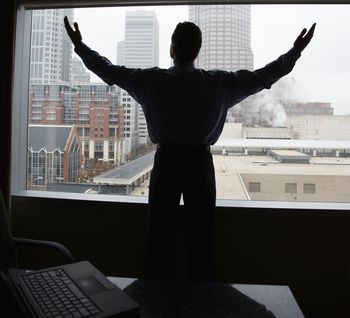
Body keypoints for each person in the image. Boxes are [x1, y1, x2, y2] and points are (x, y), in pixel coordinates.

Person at [64, 16, 316, 281]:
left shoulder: (150, 80)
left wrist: (80, 46)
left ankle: (155, 299)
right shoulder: (218, 83)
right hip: (199, 165)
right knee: (202, 238)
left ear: (172, 50)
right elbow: (263, 77)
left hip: (167, 163)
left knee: (159, 237)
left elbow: (109, 70)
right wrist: (295, 51)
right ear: (197, 51)